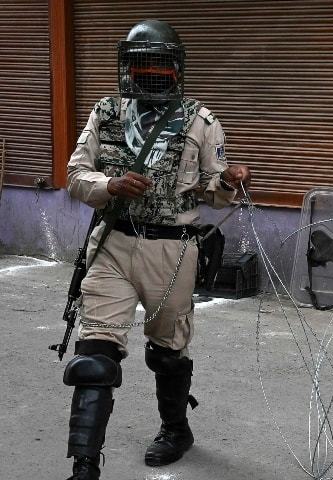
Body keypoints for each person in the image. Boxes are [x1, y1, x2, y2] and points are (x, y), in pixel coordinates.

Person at [62, 20, 250, 480]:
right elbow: (74, 175)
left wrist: (227, 181)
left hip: (172, 251)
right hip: (112, 243)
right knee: (93, 355)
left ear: (175, 68)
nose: (150, 73)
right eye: (140, 63)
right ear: (126, 68)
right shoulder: (105, 113)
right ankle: (84, 467)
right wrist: (109, 184)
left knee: (167, 350)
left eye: (159, 64)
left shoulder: (200, 120)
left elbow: (213, 190)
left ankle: (175, 428)